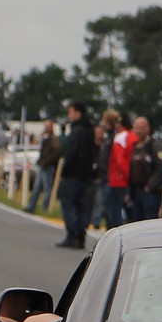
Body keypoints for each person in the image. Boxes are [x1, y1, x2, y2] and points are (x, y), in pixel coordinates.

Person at [55, 103, 97, 248]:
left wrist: (65, 171)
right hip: (87, 175)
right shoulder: (90, 130)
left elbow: (71, 152)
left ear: (78, 113)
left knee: (68, 204)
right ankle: (81, 234)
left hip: (74, 174)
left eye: (71, 112)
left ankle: (71, 233)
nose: (69, 115)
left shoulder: (77, 130)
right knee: (82, 206)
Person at [126, 115, 162, 222]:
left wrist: (151, 185)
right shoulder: (135, 146)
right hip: (136, 191)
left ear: (148, 129)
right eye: (136, 128)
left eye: (141, 128)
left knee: (149, 220)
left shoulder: (155, 146)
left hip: (150, 192)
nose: (139, 131)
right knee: (136, 221)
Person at [103, 110, 136, 228]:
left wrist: (125, 176)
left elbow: (120, 160)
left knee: (114, 210)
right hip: (129, 179)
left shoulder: (120, 137)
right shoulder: (132, 136)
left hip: (118, 179)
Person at [24, 119, 60, 213]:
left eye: (47, 127)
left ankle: (46, 208)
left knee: (47, 188)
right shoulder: (45, 137)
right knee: (36, 187)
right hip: (43, 165)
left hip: (48, 166)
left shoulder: (53, 139)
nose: (46, 128)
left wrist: (46, 161)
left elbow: (56, 152)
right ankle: (31, 206)